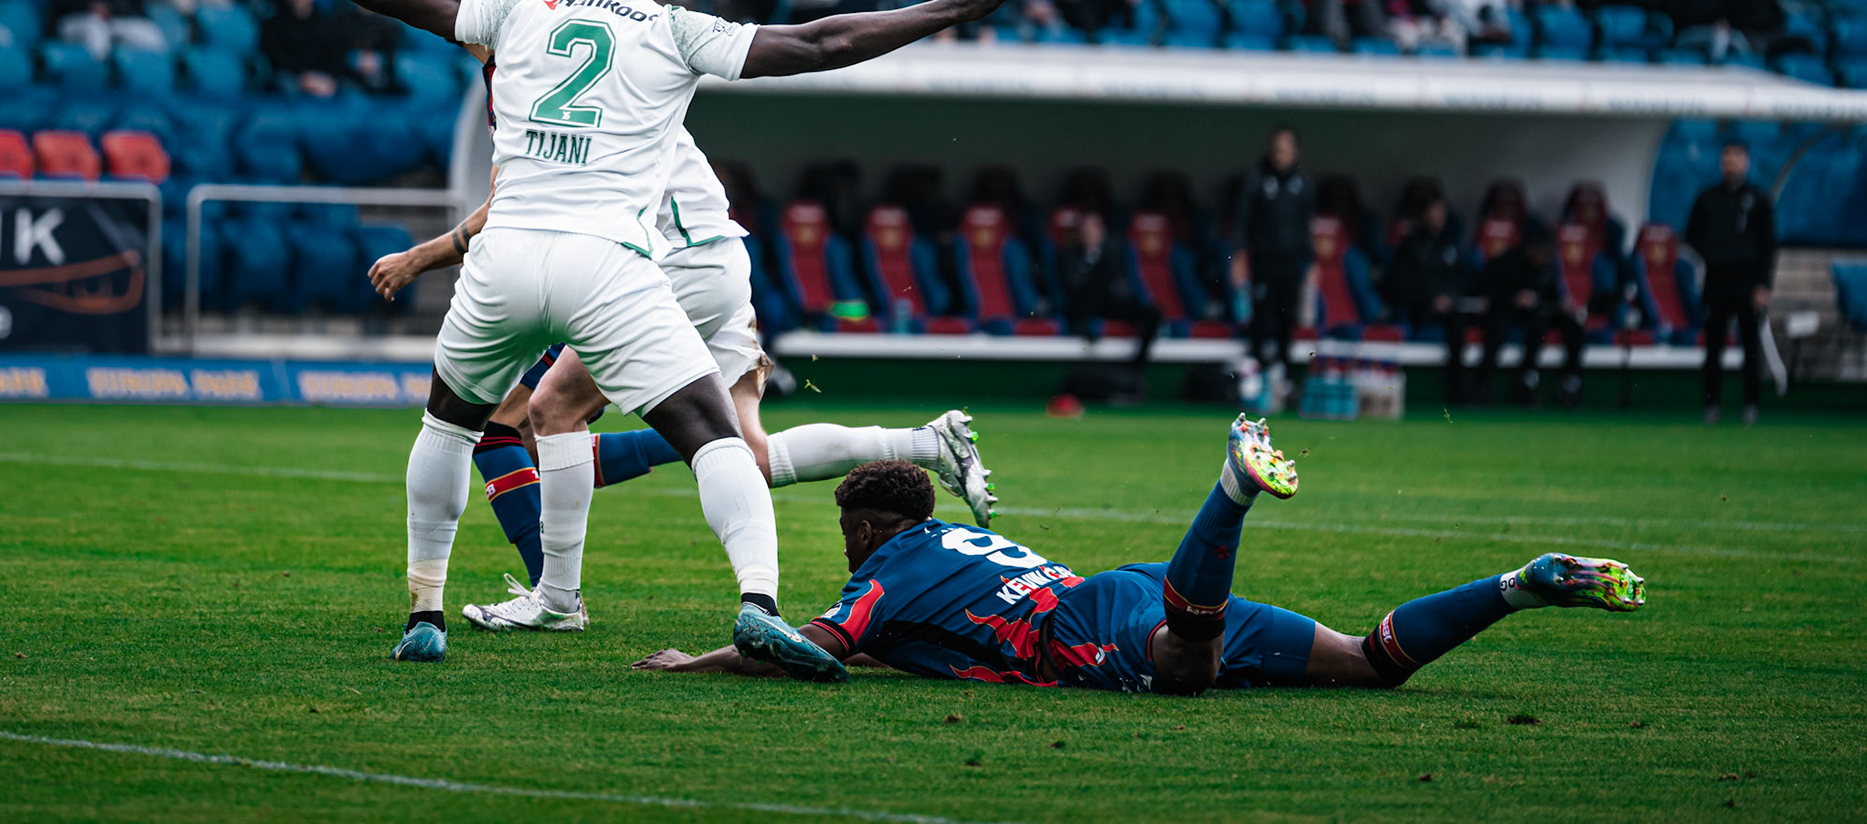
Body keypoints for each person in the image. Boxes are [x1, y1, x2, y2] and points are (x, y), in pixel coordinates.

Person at [199, 0, 1029, 676]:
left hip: (507, 257)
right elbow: (819, 42)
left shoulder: (516, 10)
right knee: (715, 438)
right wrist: (946, 8)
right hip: (610, 267)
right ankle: (758, 604)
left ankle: (426, 611)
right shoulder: (675, 28)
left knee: (451, 425)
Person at [635, 423, 1644, 691]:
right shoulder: (945, 543)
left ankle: (1230, 491)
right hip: (1114, 586)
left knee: (1182, 667)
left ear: (863, 530)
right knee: (1369, 660)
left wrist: (698, 661)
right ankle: (1519, 584)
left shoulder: (885, 575)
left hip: (1084, 628)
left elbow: (802, 647)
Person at [1684, 142, 1776, 426]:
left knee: (1750, 347)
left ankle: (1751, 405)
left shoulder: (1758, 200)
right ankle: (1712, 405)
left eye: (1737, 158)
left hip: (1748, 285)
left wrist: (1763, 285)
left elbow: (1768, 245)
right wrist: (1714, 255)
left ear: (1746, 162)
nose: (1731, 163)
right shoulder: (1707, 198)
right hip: (1717, 283)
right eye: (1727, 158)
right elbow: (1692, 236)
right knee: (1714, 348)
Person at [1233, 127, 1313, 397]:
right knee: (1260, 319)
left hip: (1291, 264)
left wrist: (1311, 263)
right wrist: (1239, 256)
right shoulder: (1257, 181)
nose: (1280, 155)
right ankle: (1255, 379)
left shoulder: (1302, 184)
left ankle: (1285, 379)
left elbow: (1306, 227)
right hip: (1263, 261)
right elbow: (1243, 221)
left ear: (1295, 152)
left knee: (1286, 321)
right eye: (1277, 149)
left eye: (1285, 149)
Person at [1474, 226, 1584, 408]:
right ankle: (1484, 387)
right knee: (1500, 327)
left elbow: (1553, 295)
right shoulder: (1506, 261)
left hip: (1538, 313)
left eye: (1549, 254)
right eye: (1543, 253)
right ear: (1532, 248)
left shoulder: (1549, 267)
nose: (1546, 258)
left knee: (1573, 326)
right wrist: (1514, 297)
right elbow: (1486, 290)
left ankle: (1571, 382)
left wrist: (1563, 304)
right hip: (1507, 311)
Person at [1385, 197, 1470, 401]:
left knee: (1459, 325)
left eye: (1442, 211)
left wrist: (1450, 298)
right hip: (1418, 307)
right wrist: (1430, 300)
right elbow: (1402, 284)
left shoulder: (1449, 245)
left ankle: (1459, 393)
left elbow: (1462, 279)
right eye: (1435, 211)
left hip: (1448, 308)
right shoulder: (1410, 246)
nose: (1440, 216)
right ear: (1424, 215)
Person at [1059, 210, 1160, 370]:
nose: (1088, 232)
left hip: (1110, 302)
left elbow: (1124, 281)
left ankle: (1138, 363)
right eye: (1085, 228)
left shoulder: (1114, 252)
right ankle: (1084, 329)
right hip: (1085, 305)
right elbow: (1073, 285)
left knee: (1154, 314)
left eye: (1093, 227)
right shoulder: (1070, 255)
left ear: (1102, 231)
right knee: (1100, 274)